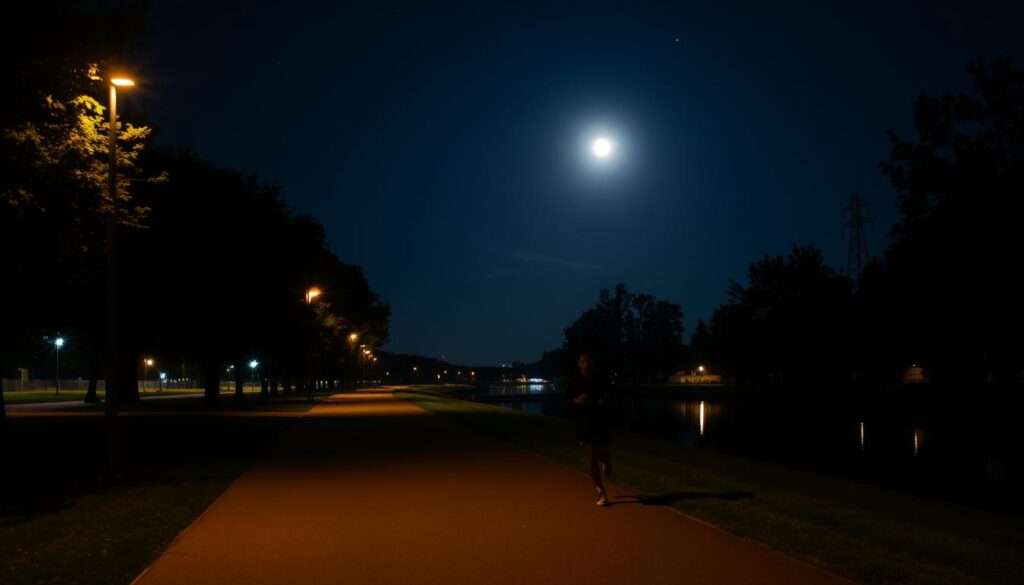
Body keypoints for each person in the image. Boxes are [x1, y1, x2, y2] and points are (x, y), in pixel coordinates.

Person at [563, 352, 613, 506]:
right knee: (590, 455)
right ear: (579, 364)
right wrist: (576, 401)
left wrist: (603, 401)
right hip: (583, 423)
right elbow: (565, 401)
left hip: (599, 421)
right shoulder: (574, 382)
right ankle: (600, 491)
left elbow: (609, 395)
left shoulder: (599, 381)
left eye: (589, 361)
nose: (586, 364)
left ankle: (606, 460)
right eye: (583, 361)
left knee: (600, 451)